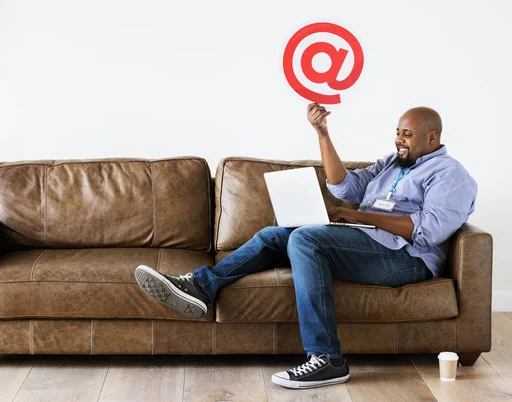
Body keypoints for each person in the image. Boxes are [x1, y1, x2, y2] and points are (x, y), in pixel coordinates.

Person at [134, 103, 478, 389]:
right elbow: (346, 187)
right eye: (398, 132)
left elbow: (427, 231)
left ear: (432, 137)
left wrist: (360, 217)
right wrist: (323, 134)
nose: (399, 140)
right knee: (276, 235)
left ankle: (327, 358)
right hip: (367, 243)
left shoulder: (450, 175)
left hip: (406, 259)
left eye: (408, 134)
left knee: (306, 237)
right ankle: (200, 286)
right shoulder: (391, 163)